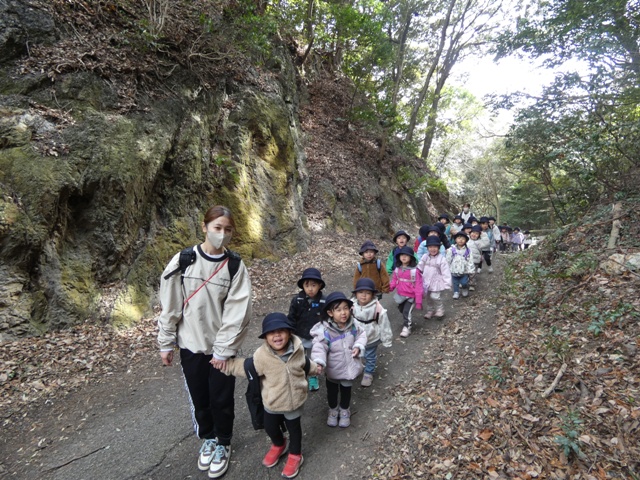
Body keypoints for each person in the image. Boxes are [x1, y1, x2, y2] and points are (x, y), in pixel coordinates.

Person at [157, 205, 252, 479]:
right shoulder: (184, 260)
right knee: (200, 397)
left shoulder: (234, 266)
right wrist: (166, 342)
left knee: (221, 398)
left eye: (227, 229)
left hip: (222, 351)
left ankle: (223, 442)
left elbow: (238, 313)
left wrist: (222, 351)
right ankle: (208, 438)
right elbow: (170, 304)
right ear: (204, 227)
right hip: (190, 346)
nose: (222, 234)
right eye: (217, 227)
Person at [212, 313, 316, 479]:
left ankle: (295, 455)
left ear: (289, 332)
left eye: (281, 331)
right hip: (271, 401)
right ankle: (279, 444)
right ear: (265, 337)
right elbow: (244, 367)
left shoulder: (298, 349)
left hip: (294, 401)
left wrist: (317, 368)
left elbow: (306, 364)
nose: (277, 335)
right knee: (270, 427)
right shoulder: (261, 356)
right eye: (271, 332)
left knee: (294, 430)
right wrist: (225, 365)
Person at [311, 292, 367, 428]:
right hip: (333, 369)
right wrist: (319, 362)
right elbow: (319, 347)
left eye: (346, 308)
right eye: (338, 309)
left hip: (349, 368)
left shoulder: (353, 325)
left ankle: (344, 410)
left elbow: (362, 335)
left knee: (346, 391)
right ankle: (333, 410)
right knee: (332, 391)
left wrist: (358, 346)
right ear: (330, 313)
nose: (343, 313)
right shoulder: (325, 330)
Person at [287, 268, 326, 392]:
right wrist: (289, 331)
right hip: (300, 334)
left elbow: (327, 318)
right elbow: (291, 317)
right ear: (302, 286)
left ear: (320, 286)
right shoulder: (297, 300)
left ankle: (313, 376)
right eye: (307, 285)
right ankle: (299, 376)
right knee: (298, 356)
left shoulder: (323, 301)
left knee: (313, 357)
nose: (310, 289)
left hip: (316, 336)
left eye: (314, 285)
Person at [350, 278, 393, 387]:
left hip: (371, 337)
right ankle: (356, 367)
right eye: (360, 292)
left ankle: (368, 373)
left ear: (373, 295)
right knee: (355, 353)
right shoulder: (352, 305)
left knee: (369, 356)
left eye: (368, 293)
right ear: (356, 293)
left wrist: (387, 340)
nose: (363, 295)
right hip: (356, 337)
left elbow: (384, 325)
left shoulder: (377, 308)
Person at [389, 245, 423, 338]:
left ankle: (407, 327)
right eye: (402, 255)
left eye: (406, 255)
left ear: (411, 258)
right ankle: (407, 320)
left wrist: (418, 301)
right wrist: (390, 288)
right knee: (401, 309)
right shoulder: (397, 269)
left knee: (406, 312)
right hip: (400, 295)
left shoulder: (415, 271)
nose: (404, 257)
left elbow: (418, 286)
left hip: (411, 296)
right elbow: (394, 280)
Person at [417, 236, 451, 319]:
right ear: (427, 248)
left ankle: (440, 309)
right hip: (426, 280)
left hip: (436, 281)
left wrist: (447, 284)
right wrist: (416, 274)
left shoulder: (441, 259)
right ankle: (430, 310)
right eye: (430, 247)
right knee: (428, 297)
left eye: (435, 247)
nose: (433, 249)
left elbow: (446, 272)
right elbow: (420, 266)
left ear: (438, 248)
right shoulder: (425, 256)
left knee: (435, 296)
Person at [446, 231, 475, 299]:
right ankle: (456, 292)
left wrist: (471, 270)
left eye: (463, 239)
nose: (461, 240)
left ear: (466, 241)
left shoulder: (468, 250)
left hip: (464, 271)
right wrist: (447, 269)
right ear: (455, 239)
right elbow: (448, 259)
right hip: (454, 270)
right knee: (455, 283)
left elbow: (470, 261)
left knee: (464, 282)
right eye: (459, 238)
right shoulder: (451, 249)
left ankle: (464, 288)